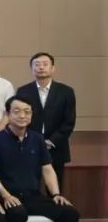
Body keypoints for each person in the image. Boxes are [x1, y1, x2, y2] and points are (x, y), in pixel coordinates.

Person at [15, 52, 76, 189]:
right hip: (29, 145)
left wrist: (52, 141)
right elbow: (19, 119)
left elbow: (69, 122)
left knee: (55, 188)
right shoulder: (23, 91)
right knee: (30, 186)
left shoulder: (66, 92)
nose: (41, 67)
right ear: (32, 69)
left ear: (53, 68)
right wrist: (30, 139)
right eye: (37, 64)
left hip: (56, 146)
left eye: (45, 64)